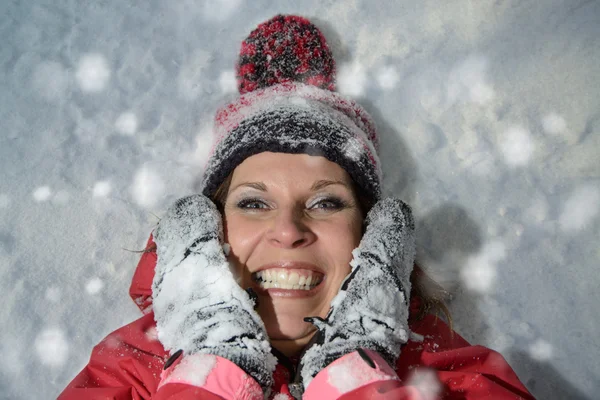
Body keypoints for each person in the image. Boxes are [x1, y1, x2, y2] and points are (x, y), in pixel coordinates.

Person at [59, 15, 535, 400]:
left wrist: (357, 370)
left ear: (370, 232)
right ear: (210, 230)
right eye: (254, 202)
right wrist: (214, 364)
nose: (288, 230)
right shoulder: (126, 374)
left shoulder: (462, 382)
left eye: (327, 202)